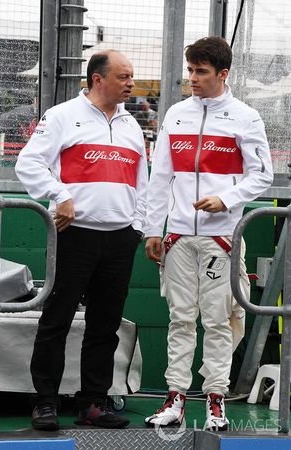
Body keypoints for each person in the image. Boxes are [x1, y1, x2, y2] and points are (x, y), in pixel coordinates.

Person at [144, 37, 273, 430]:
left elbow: (263, 175)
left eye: (201, 72)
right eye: (190, 71)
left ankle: (215, 399)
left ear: (223, 74)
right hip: (178, 238)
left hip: (223, 238)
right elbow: (160, 175)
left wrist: (226, 199)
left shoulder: (246, 117)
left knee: (219, 321)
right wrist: (153, 229)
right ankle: (175, 399)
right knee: (180, 319)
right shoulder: (176, 114)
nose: (193, 79)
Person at [15, 50, 148, 431]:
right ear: (97, 79)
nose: (130, 83)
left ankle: (92, 403)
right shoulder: (60, 116)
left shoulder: (132, 126)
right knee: (55, 321)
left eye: (131, 76)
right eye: (123, 76)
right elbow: (29, 163)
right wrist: (61, 196)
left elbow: (142, 183)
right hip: (73, 237)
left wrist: (136, 227)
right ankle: (45, 402)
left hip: (120, 240)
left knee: (105, 326)